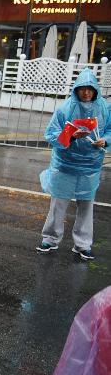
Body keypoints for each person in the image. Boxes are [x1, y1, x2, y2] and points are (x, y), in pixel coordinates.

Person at [37, 69, 111, 260]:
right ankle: (50, 239)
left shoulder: (105, 108)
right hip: (65, 165)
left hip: (91, 166)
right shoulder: (65, 109)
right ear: (76, 89)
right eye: (82, 89)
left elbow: (110, 129)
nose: (86, 93)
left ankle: (83, 244)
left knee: (86, 206)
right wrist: (70, 135)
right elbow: (51, 134)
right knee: (58, 204)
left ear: (95, 90)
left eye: (90, 89)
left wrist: (105, 140)